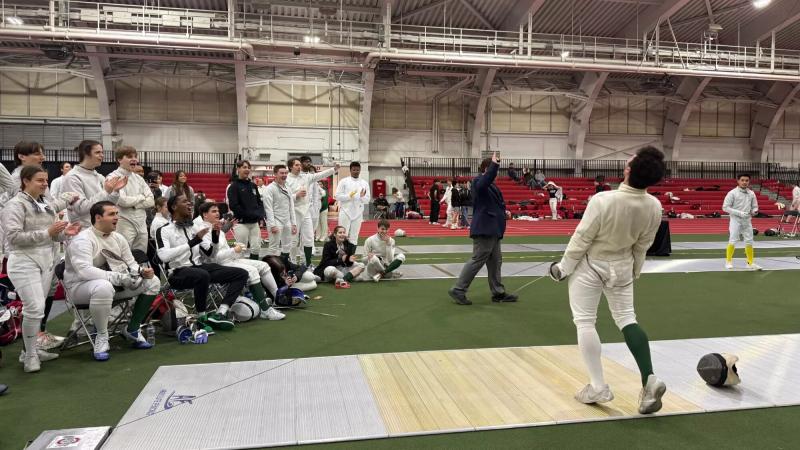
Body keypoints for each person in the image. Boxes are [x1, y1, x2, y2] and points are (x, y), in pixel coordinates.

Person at [548, 146, 668, 414]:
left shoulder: (603, 200)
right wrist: (634, 270)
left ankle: (598, 385)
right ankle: (649, 379)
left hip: (591, 266)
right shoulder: (654, 205)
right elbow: (643, 245)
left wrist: (562, 268)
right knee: (627, 319)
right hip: (623, 266)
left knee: (585, 321)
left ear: (628, 170)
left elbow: (582, 238)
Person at [5, 166, 80, 372]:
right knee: (35, 308)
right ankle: (29, 356)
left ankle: (32, 350)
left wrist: (66, 233)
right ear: (25, 181)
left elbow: (54, 236)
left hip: (46, 260)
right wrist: (47, 232)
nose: (45, 184)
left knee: (36, 310)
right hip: (23, 261)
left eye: (46, 180)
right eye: (40, 180)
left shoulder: (45, 204)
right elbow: (13, 237)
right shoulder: (15, 205)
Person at [64, 201, 160, 361]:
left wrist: (142, 272)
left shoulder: (118, 238)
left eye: (117, 213)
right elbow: (84, 271)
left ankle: (133, 330)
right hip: (79, 288)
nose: (117, 217)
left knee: (153, 282)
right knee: (103, 286)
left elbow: (131, 264)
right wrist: (119, 278)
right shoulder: (82, 240)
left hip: (115, 285)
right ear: (98, 217)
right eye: (112, 214)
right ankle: (101, 336)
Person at [156, 194, 249, 330]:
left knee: (241, 273)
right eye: (185, 202)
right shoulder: (163, 230)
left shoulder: (193, 228)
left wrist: (215, 238)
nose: (189, 204)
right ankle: (201, 318)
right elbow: (163, 256)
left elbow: (211, 255)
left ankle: (220, 312)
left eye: (190, 202)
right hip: (177, 273)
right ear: (174, 207)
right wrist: (192, 242)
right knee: (202, 274)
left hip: (198, 268)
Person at [448, 152, 517, 306]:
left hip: (493, 230)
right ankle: (458, 290)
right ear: (487, 169)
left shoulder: (491, 186)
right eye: (494, 170)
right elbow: (484, 182)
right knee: (477, 260)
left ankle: (498, 292)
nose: (497, 174)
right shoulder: (479, 181)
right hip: (485, 229)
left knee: (495, 262)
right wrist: (495, 164)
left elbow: (490, 204)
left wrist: (503, 212)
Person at [196, 202, 285, 320]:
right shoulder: (203, 232)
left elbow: (223, 247)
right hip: (217, 266)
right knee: (252, 271)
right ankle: (265, 310)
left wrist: (234, 249)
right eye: (213, 211)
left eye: (217, 211)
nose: (217, 213)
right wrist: (234, 250)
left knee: (264, 265)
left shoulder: (217, 227)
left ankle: (278, 299)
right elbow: (213, 258)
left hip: (229, 260)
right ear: (205, 215)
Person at [62, 140, 128, 229]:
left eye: (102, 152)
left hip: (101, 227)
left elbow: (109, 205)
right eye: (97, 152)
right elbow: (81, 208)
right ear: (86, 153)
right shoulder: (72, 177)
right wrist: (106, 192)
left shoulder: (99, 176)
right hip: (82, 230)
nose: (102, 155)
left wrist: (115, 191)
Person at [287, 157, 339, 266]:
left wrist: (333, 169)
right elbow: (284, 197)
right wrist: (296, 195)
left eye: (299, 165)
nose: (299, 167)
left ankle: (306, 263)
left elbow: (319, 175)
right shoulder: (287, 179)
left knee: (309, 238)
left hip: (306, 212)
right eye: (296, 165)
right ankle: (291, 263)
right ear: (291, 167)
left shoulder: (306, 177)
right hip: (293, 213)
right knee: (293, 240)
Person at [107, 146, 154, 253]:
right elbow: (122, 201)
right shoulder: (113, 177)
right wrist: (141, 197)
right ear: (119, 159)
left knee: (141, 256)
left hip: (141, 223)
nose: (134, 159)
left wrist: (134, 205)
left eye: (135, 156)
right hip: (124, 222)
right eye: (129, 156)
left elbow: (151, 200)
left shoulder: (138, 178)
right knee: (123, 255)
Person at [227, 160, 265, 259]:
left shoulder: (253, 186)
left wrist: (260, 214)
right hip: (241, 223)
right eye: (244, 167)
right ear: (238, 169)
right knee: (241, 249)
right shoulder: (233, 186)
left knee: (256, 248)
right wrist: (249, 214)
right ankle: (241, 272)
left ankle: (255, 267)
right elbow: (234, 206)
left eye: (248, 167)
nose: (247, 169)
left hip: (254, 223)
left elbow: (259, 202)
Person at [723, 173, 760, 270]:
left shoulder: (751, 193)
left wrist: (754, 211)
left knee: (749, 241)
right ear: (738, 181)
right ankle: (728, 261)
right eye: (742, 180)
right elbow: (725, 207)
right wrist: (739, 213)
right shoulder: (732, 193)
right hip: (735, 220)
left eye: (746, 180)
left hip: (747, 220)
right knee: (733, 240)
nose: (744, 182)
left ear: (749, 181)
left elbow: (755, 206)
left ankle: (750, 263)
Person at [263, 165, 297, 262]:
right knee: (274, 247)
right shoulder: (269, 189)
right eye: (281, 173)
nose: (284, 175)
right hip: (275, 221)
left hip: (287, 221)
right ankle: (271, 268)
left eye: (286, 173)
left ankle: (284, 265)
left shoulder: (288, 187)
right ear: (275, 174)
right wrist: (272, 225)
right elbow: (268, 208)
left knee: (287, 245)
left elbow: (291, 207)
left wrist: (293, 223)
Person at [335, 161, 370, 244]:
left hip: (358, 213)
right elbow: (338, 196)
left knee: (354, 237)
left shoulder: (364, 183)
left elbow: (367, 200)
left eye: (357, 170)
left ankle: (351, 255)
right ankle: (341, 255)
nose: (356, 172)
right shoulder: (343, 181)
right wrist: (349, 196)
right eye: (354, 170)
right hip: (345, 211)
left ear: (360, 170)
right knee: (342, 235)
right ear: (350, 170)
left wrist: (362, 197)